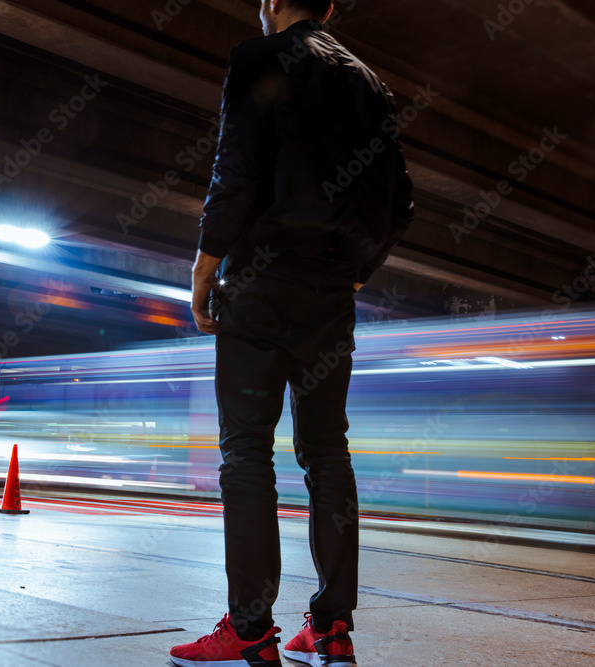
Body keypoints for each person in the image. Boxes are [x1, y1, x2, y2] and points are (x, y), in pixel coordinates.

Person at [169, 1, 414, 666]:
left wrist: (205, 264)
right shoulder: (371, 83)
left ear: (273, 3)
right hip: (330, 292)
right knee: (327, 451)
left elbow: (237, 166)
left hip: (259, 282)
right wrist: (356, 267)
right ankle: (331, 626)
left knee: (245, 452)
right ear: (330, 7)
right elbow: (403, 199)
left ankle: (250, 628)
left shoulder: (259, 58)